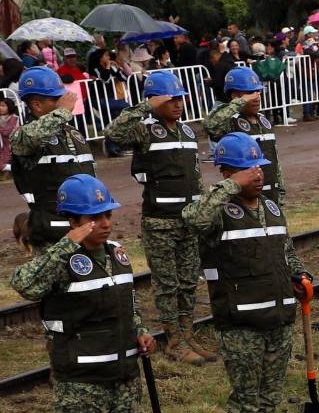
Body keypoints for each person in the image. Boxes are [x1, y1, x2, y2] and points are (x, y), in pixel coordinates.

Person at [11, 174, 158, 413]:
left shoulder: (117, 254)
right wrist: (64, 247)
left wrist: (139, 331)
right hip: (80, 381)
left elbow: (128, 304)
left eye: (107, 215)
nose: (105, 224)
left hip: (123, 373)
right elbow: (24, 285)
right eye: (93, 218)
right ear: (73, 221)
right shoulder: (57, 261)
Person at [184, 133, 310, 413]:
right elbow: (192, 218)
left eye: (259, 166)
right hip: (241, 323)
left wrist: (299, 273)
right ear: (226, 173)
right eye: (247, 168)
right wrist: (228, 186)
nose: (257, 173)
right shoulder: (216, 211)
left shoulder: (271, 207)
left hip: (280, 316)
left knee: (270, 394)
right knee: (246, 397)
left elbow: (286, 250)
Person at [104, 71, 210, 365]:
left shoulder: (188, 132)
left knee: (188, 280)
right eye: (170, 99)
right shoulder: (144, 130)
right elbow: (114, 134)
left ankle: (188, 334)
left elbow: (196, 177)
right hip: (160, 223)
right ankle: (174, 341)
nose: (177, 104)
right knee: (167, 284)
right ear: (154, 101)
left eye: (180, 99)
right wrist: (144, 107)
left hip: (188, 222)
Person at [10, 68, 93, 252]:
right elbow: (34, 136)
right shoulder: (23, 136)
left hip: (86, 228)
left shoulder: (73, 134)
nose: (64, 103)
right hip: (51, 235)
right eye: (56, 99)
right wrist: (63, 112)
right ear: (37, 105)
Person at [202, 66, 286, 203]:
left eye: (257, 91)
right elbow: (210, 125)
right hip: (244, 196)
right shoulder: (230, 120)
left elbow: (273, 158)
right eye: (250, 92)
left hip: (270, 194)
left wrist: (280, 188)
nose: (256, 96)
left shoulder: (263, 121)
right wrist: (240, 102)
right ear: (234, 96)